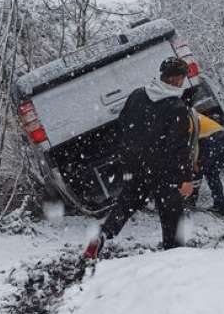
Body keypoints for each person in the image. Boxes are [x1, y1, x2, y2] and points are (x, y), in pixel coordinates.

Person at [83, 57, 196, 259]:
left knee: (126, 203)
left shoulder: (137, 95)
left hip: (136, 164)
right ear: (178, 80)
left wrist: (130, 155)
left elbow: (122, 125)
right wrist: (185, 178)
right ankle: (176, 257)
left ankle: (102, 235)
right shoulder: (176, 107)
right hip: (165, 171)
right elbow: (179, 148)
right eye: (182, 78)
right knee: (172, 215)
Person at [191, 111, 224, 216]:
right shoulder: (191, 114)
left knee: (197, 170)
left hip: (213, 139)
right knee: (212, 174)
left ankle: (190, 201)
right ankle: (220, 207)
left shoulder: (183, 121)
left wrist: (195, 162)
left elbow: (194, 144)